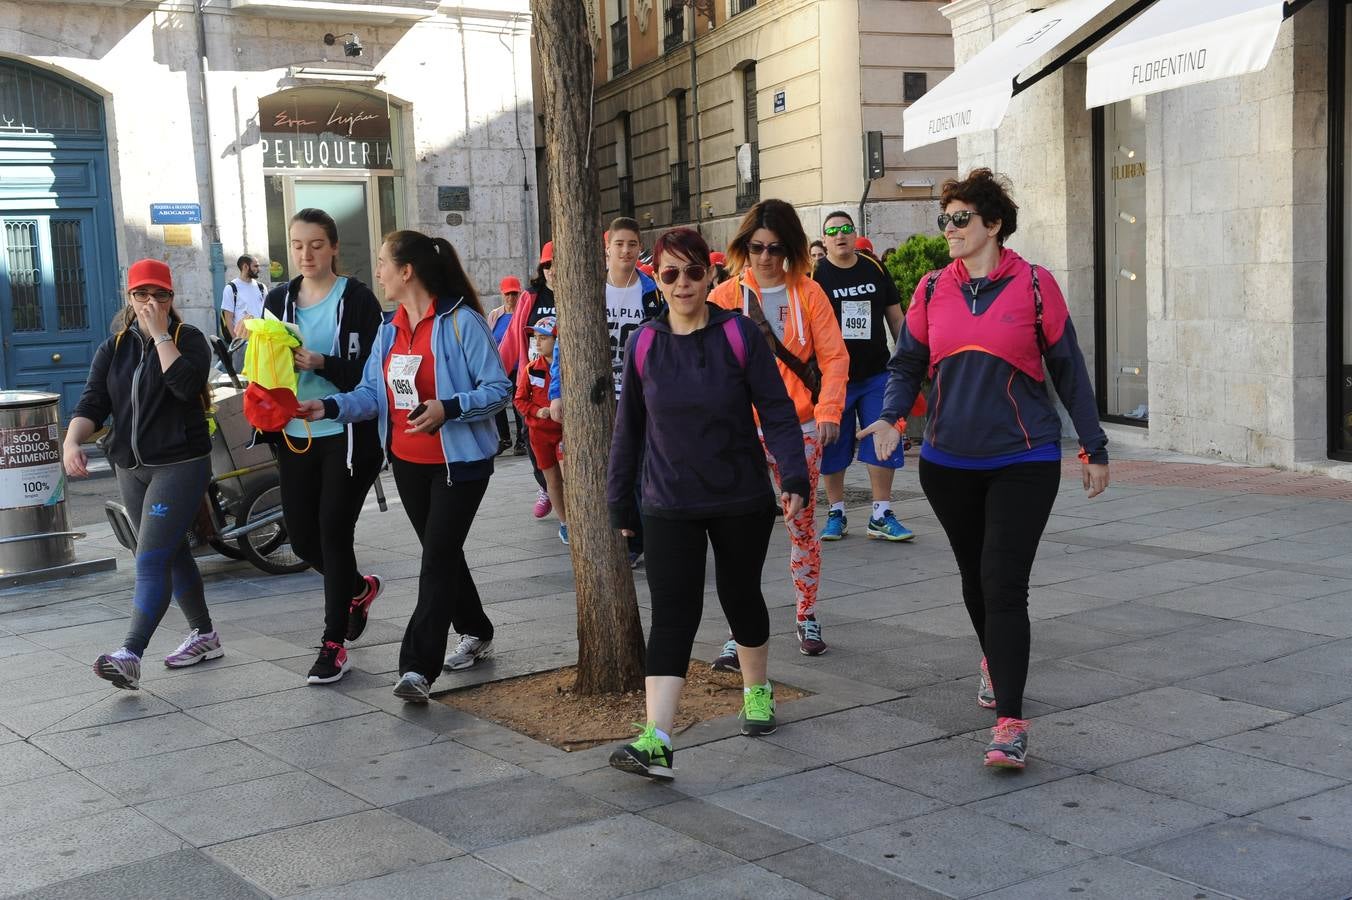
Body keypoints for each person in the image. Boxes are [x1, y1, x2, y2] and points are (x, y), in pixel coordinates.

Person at [860, 168, 1110, 770]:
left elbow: (1068, 370)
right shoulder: (929, 290)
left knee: (1003, 584)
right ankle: (994, 660)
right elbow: (907, 364)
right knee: (976, 580)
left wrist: (1094, 446)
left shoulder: (1034, 286)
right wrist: (893, 417)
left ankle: (1011, 724)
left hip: (1023, 459)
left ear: (993, 224)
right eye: (944, 219)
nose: (948, 228)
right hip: (947, 463)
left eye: (960, 218)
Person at [606, 227, 809, 781]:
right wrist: (618, 502)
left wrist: (793, 474)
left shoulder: (738, 335)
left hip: (739, 497)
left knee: (740, 595)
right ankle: (657, 739)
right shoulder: (644, 343)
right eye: (670, 274)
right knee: (673, 615)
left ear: (710, 274)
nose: (683, 283)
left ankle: (757, 691)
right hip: (667, 502)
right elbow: (629, 432)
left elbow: (777, 411)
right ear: (657, 279)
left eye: (693, 271)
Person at [299, 230, 512, 703]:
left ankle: (417, 668)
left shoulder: (462, 323)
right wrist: (328, 408)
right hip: (408, 464)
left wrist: (448, 408)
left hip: (460, 465)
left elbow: (500, 389)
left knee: (435, 559)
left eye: (382, 262)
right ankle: (476, 628)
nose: (376, 271)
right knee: (445, 554)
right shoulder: (388, 329)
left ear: (406, 271)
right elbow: (374, 396)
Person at [64, 259, 221, 689]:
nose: (151, 302)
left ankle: (130, 653)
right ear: (129, 299)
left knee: (150, 557)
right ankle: (205, 634)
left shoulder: (188, 340)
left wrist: (159, 335)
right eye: (142, 295)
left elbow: (186, 387)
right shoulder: (114, 347)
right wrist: (71, 441)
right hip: (130, 467)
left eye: (161, 295)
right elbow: (93, 402)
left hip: (180, 463)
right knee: (169, 552)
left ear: (173, 298)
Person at [709, 198, 849, 661]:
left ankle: (806, 613)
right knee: (738, 533)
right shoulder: (724, 297)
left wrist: (829, 412)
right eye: (756, 247)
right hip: (739, 436)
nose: (766, 257)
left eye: (775, 248)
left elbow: (834, 357)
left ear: (789, 248)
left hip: (799, 429)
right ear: (743, 247)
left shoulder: (809, 294)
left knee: (800, 524)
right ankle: (740, 629)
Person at [264, 208, 385, 686]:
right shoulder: (277, 300)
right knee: (302, 538)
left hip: (346, 436)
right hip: (295, 437)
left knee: (334, 532)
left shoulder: (357, 300)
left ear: (333, 247)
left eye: (316, 244)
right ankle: (357, 587)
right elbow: (264, 371)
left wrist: (322, 362)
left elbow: (374, 377)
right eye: (297, 245)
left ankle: (333, 645)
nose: (306, 254)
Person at [812, 210, 915, 543]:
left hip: (876, 375)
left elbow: (897, 320)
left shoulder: (874, 267)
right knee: (834, 445)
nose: (840, 235)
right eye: (833, 231)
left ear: (855, 233)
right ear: (824, 239)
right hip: (833, 379)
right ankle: (836, 512)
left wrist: (909, 360)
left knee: (883, 441)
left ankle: (881, 513)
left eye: (846, 229)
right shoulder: (815, 275)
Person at [604, 218, 665, 567]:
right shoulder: (593, 287)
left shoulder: (651, 290)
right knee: (614, 469)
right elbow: (564, 347)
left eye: (632, 244)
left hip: (640, 394)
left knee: (643, 467)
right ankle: (623, 536)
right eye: (619, 244)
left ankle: (642, 541)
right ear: (607, 247)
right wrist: (557, 391)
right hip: (603, 394)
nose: (626, 251)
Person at [499, 243, 558, 517]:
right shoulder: (531, 297)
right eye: (547, 265)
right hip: (534, 378)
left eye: (556, 263)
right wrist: (495, 373)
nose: (552, 270)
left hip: (568, 380)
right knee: (531, 433)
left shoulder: (578, 290)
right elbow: (513, 337)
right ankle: (546, 486)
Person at [515, 316, 567, 544]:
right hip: (538, 435)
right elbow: (519, 400)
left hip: (564, 433)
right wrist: (537, 412)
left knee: (569, 476)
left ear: (557, 340)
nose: (537, 343)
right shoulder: (530, 369)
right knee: (552, 481)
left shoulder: (567, 366)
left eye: (544, 338)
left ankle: (577, 518)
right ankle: (565, 523)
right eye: (535, 338)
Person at [489, 276, 526, 455]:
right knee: (497, 402)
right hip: (501, 366)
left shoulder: (523, 313)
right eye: (508, 294)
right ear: (502, 294)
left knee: (518, 402)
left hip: (519, 366)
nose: (511, 298)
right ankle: (504, 438)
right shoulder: (496, 315)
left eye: (514, 294)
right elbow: (490, 339)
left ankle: (522, 440)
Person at [221, 254, 267, 339]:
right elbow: (228, 319)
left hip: (262, 339)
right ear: (245, 266)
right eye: (255, 266)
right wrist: (235, 341)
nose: (258, 269)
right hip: (242, 342)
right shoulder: (231, 288)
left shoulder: (262, 287)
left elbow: (267, 314)